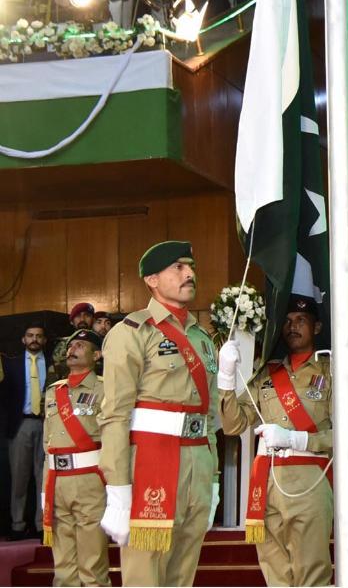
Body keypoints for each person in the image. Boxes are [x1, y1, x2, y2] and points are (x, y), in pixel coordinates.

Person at [98, 241, 219, 587]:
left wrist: (212, 479)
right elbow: (115, 416)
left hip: (197, 464)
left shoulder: (202, 338)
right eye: (178, 267)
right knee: (145, 576)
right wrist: (118, 489)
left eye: (191, 266)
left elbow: (208, 415)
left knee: (183, 575)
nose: (190, 274)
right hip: (151, 464)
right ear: (152, 279)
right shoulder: (132, 332)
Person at [218, 295, 333, 587]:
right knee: (274, 571)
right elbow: (233, 425)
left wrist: (296, 439)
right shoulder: (267, 373)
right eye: (288, 321)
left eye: (301, 321)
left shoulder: (332, 372)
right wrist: (226, 379)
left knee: (311, 573)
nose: (293, 326)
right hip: (265, 480)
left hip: (309, 479)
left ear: (317, 327)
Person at [42, 329, 109, 587]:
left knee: (92, 565)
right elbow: (47, 443)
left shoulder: (105, 388)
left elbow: (114, 437)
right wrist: (45, 488)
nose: (73, 349)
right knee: (62, 567)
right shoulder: (53, 391)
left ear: (96, 355)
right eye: (71, 345)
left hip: (90, 480)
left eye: (81, 345)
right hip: (57, 481)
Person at [2, 323, 52, 539]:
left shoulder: (53, 364)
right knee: (19, 478)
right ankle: (17, 524)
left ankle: (42, 525)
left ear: (44, 340)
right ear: (23, 339)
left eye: (39, 336)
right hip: (21, 424)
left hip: (47, 424)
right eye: (30, 335)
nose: (34, 339)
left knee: (44, 478)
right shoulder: (10, 364)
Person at [53, 303, 96, 380]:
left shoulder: (101, 343)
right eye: (78, 316)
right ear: (71, 322)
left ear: (93, 320)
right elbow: (54, 374)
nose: (82, 319)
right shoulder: (62, 345)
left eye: (87, 315)